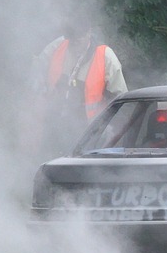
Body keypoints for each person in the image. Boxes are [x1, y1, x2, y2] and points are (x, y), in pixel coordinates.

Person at [29, 22, 128, 157]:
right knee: (48, 164)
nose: (75, 42)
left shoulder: (105, 56)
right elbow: (37, 67)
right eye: (72, 38)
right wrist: (38, 87)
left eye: (79, 38)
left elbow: (121, 99)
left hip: (90, 132)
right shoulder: (57, 46)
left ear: (89, 32)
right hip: (54, 127)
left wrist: (110, 130)